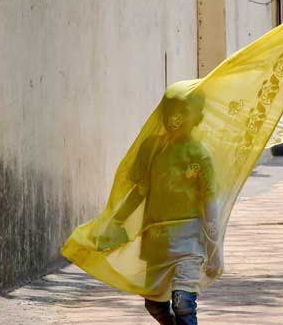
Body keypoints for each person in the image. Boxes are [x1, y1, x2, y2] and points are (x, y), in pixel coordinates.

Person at [65, 83, 222, 325]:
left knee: (183, 304)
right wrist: (115, 220)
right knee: (155, 305)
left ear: (198, 117)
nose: (175, 118)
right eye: (170, 111)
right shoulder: (151, 149)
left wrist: (214, 251)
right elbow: (140, 192)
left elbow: (210, 201)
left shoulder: (199, 154)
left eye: (182, 112)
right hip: (156, 241)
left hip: (189, 240)